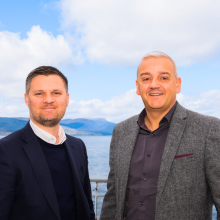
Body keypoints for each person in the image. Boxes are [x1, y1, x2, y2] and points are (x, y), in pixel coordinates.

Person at [100, 51, 220, 220]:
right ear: (137, 86)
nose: (154, 84)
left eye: (163, 78)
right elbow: (113, 198)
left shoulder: (208, 129)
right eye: (146, 78)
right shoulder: (121, 132)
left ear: (177, 84)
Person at [0, 66, 95, 220]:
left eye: (56, 93)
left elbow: (86, 206)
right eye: (39, 93)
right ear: (27, 99)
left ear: (67, 98)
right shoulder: (5, 150)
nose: (49, 99)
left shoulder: (78, 146)